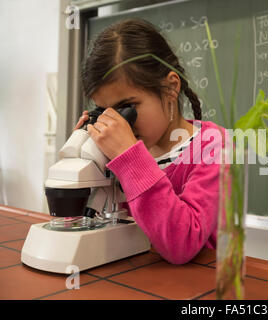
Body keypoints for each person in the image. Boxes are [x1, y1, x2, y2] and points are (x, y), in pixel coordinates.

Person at [74, 18, 224, 265]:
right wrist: (86, 159)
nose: (119, 124)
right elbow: (88, 226)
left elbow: (182, 244)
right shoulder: (116, 150)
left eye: (127, 108)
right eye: (104, 111)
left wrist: (130, 159)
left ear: (170, 87)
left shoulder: (213, 146)